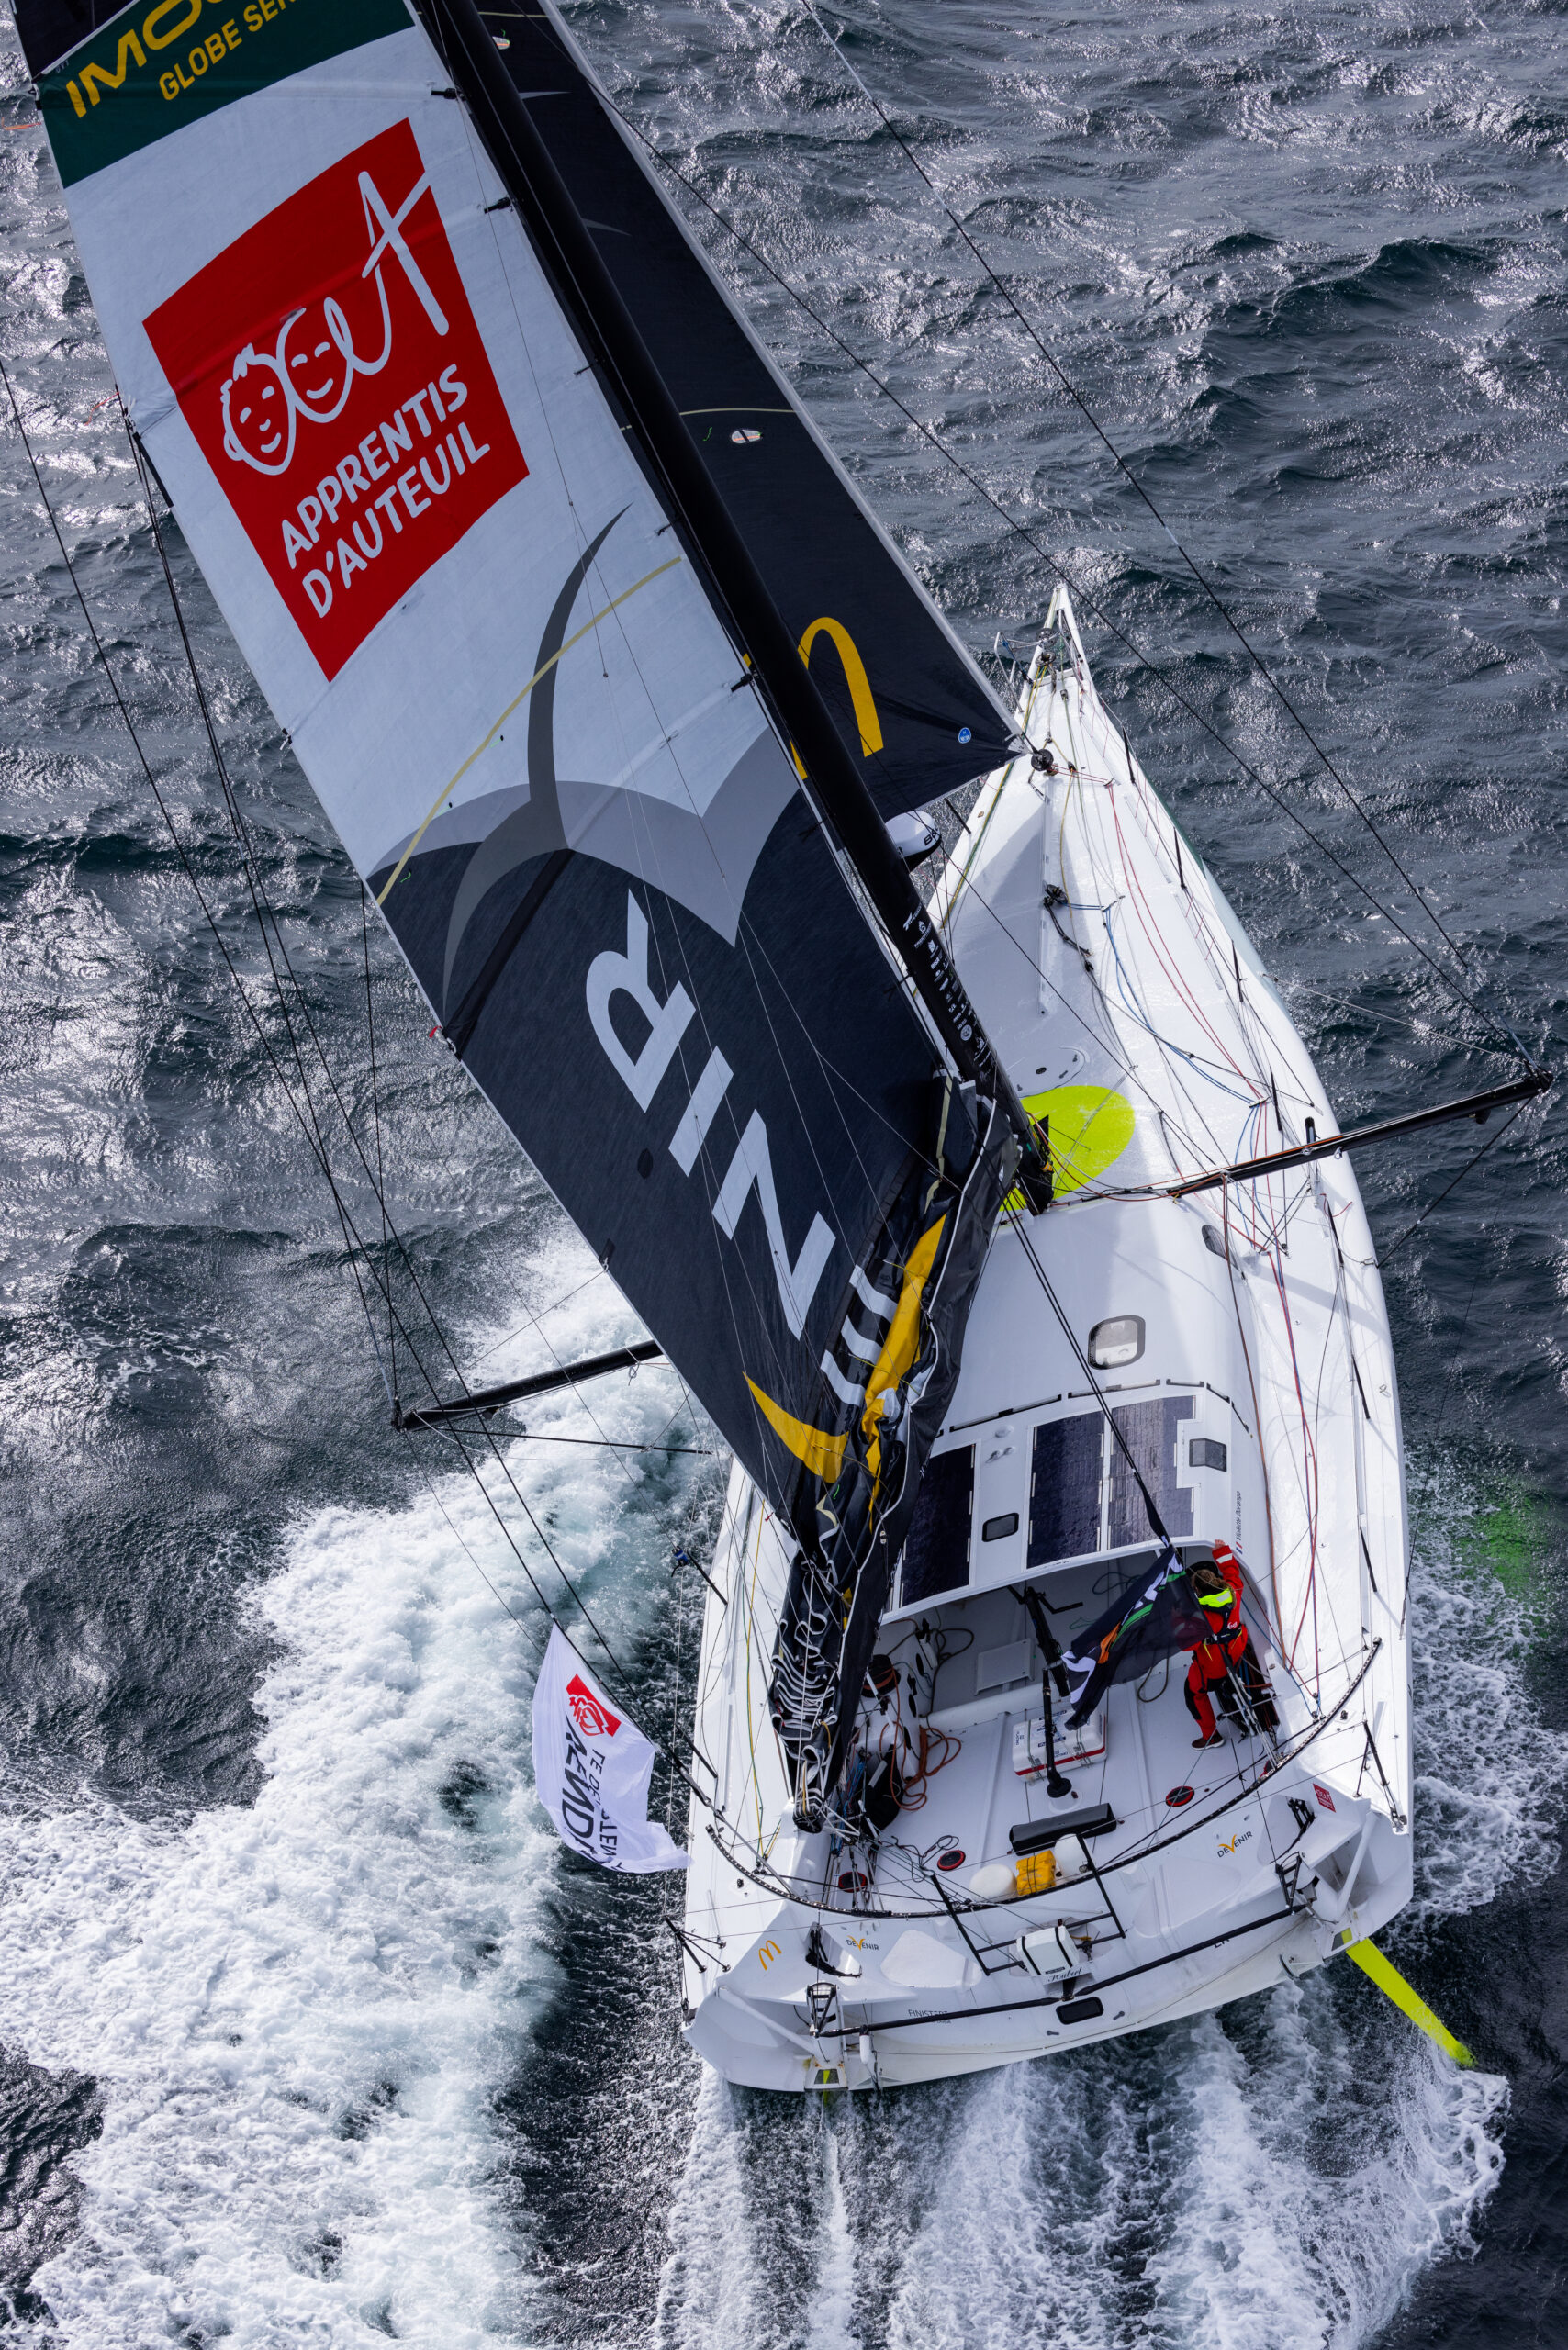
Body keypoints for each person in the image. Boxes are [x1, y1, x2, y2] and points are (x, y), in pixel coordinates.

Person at [1183, 1541, 1278, 1746]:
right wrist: (1220, 1550)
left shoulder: (1201, 1619)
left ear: (1197, 1592)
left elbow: (1186, 1646)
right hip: (1236, 1653)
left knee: (1193, 1693)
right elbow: (1231, 1571)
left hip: (1213, 1670)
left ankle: (1211, 1736)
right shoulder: (1233, 1592)